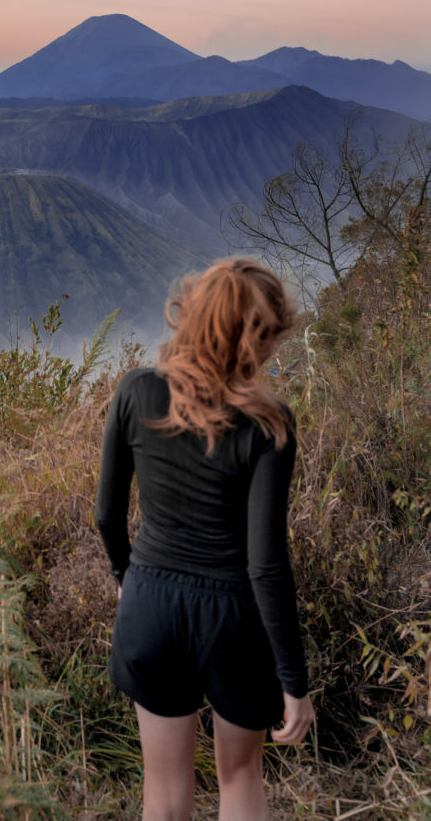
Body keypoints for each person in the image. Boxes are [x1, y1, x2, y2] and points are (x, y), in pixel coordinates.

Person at [95, 258, 315, 821]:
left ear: (191, 315)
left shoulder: (136, 391)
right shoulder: (270, 425)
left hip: (151, 607)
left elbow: (106, 517)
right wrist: (294, 680)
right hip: (233, 620)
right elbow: (266, 565)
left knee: (164, 796)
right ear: (257, 339)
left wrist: (129, 580)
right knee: (240, 778)